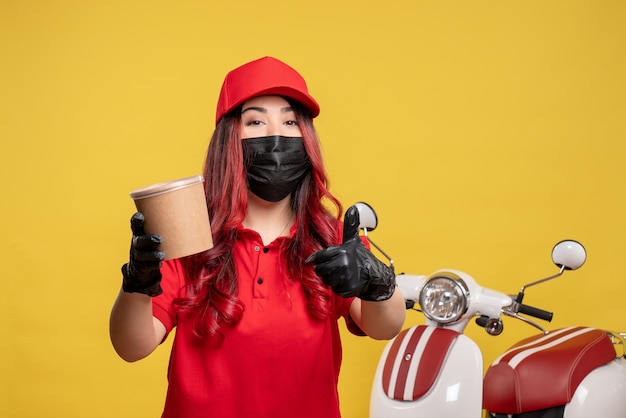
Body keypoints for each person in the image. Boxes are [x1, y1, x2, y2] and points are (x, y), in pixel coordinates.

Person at [109, 56, 406, 418]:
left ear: (307, 138)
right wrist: (137, 284)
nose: (275, 136)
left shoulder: (331, 236)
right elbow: (131, 346)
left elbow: (384, 327)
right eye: (255, 121)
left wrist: (378, 283)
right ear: (229, 139)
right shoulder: (189, 232)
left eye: (290, 121)